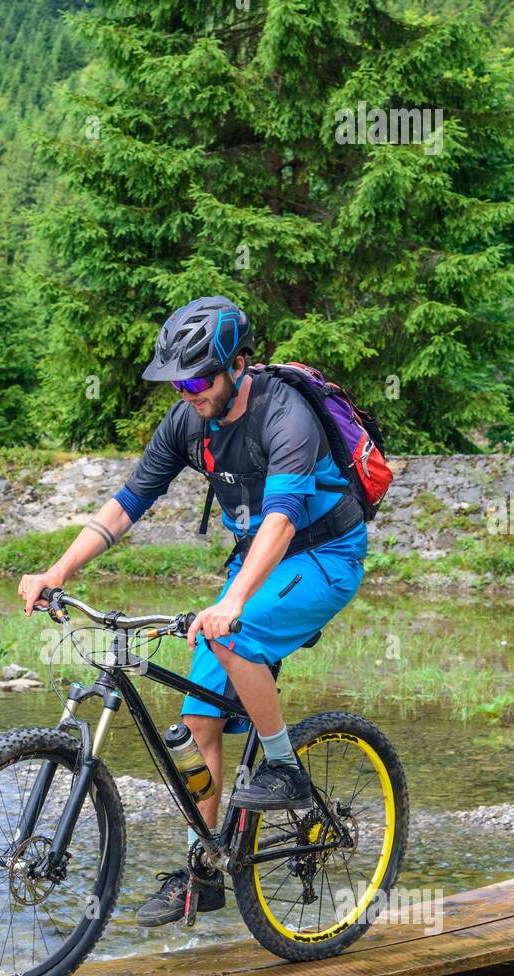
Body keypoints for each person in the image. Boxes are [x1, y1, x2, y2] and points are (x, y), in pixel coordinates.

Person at [19, 296, 367, 926]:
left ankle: (285, 769)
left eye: (199, 378)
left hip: (324, 554)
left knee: (240, 636)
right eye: (178, 381)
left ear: (239, 364)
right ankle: (203, 874)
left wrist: (233, 603)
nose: (189, 392)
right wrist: (59, 570)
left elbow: (284, 520)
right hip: (256, 557)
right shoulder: (188, 422)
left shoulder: (285, 416)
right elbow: (128, 501)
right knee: (197, 722)